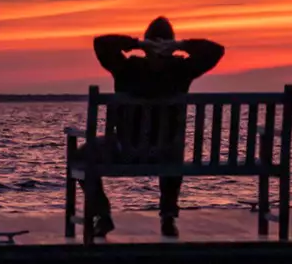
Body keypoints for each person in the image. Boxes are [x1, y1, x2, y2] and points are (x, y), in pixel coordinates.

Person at [82, 16, 224, 238]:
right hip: (166, 154)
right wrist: (181, 46)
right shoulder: (181, 70)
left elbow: (100, 44)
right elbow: (215, 51)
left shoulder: (126, 68)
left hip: (125, 152)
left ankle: (102, 215)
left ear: (147, 44)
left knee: (82, 155)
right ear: (170, 44)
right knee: (172, 149)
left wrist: (136, 44)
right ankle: (168, 216)